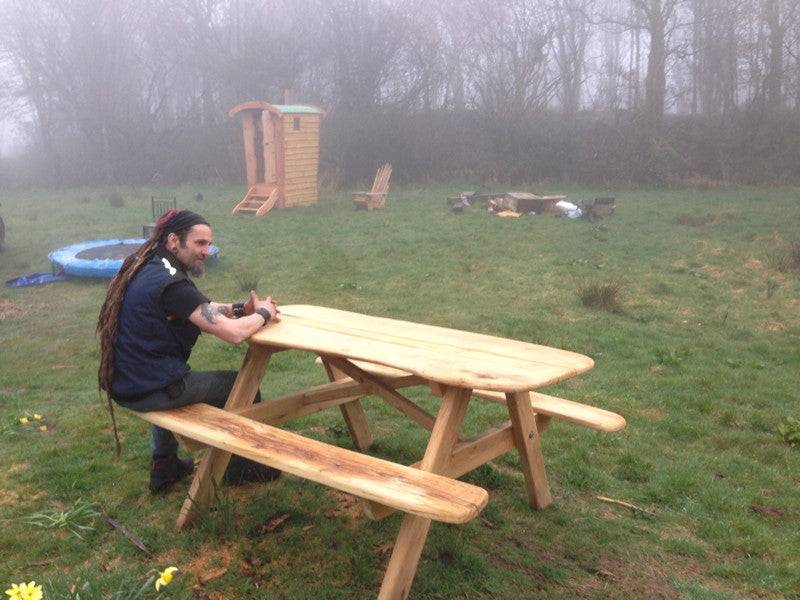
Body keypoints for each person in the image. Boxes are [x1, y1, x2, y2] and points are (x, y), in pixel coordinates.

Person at [97, 209, 281, 493]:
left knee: (168, 374)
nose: (207, 251)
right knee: (240, 385)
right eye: (199, 243)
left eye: (208, 244)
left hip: (126, 383)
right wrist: (264, 314)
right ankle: (243, 470)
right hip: (149, 388)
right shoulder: (170, 282)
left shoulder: (149, 265)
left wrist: (237, 309)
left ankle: (164, 466)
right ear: (174, 241)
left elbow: (198, 310)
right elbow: (233, 334)